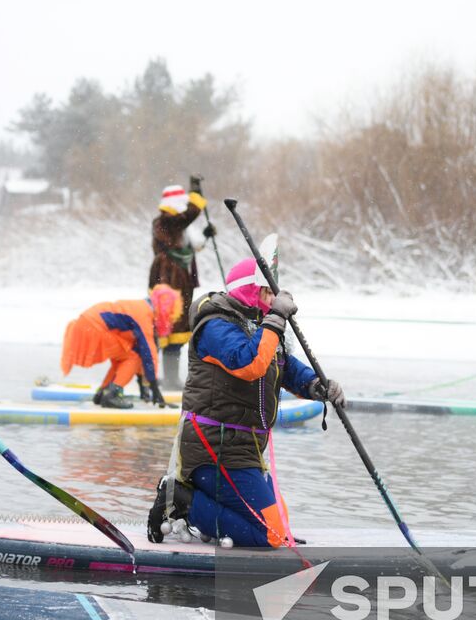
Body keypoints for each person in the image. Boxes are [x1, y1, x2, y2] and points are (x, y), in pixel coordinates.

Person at [146, 257, 345, 547]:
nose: (273, 299)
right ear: (250, 290)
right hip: (214, 448)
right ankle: (181, 500)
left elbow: (285, 366)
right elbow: (249, 363)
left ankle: (209, 515)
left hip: (244, 450)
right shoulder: (215, 325)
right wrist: (276, 319)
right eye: (267, 291)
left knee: (281, 530)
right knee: (273, 534)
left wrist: (318, 385)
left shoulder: (259, 328)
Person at [60, 284, 183, 409]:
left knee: (123, 357)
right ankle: (112, 395)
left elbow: (141, 350)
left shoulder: (140, 307)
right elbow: (148, 354)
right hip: (93, 327)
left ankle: (103, 392)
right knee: (133, 357)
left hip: (86, 324)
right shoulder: (144, 314)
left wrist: (144, 387)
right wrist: (155, 388)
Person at [149, 177, 213, 391]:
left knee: (179, 328)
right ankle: (154, 378)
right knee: (166, 326)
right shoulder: (165, 221)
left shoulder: (179, 225)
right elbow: (190, 215)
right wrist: (196, 194)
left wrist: (205, 236)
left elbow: (190, 247)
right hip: (166, 282)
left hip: (183, 282)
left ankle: (170, 379)